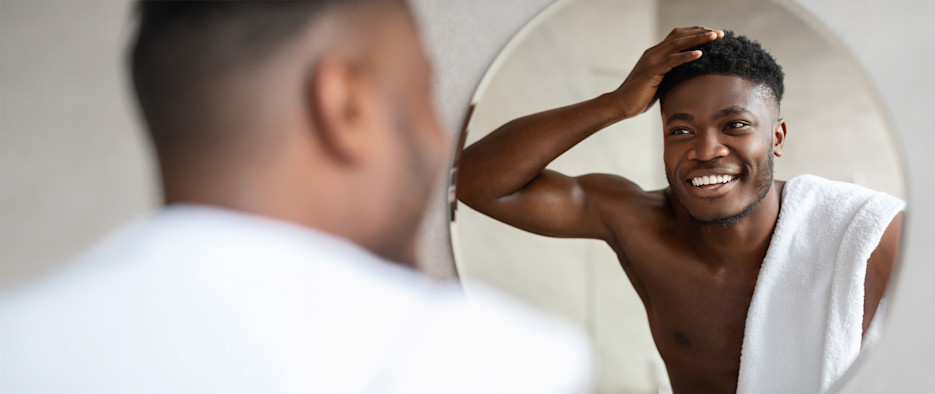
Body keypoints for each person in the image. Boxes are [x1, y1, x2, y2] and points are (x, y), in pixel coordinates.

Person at [0, 1, 592, 393]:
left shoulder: (18, 344)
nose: (439, 139)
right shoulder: (484, 365)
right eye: (423, 91)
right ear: (346, 106)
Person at [457, 27, 905, 393]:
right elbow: (474, 181)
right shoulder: (637, 223)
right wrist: (615, 103)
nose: (706, 150)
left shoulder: (864, 236)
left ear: (778, 138)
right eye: (681, 130)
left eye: (735, 125)